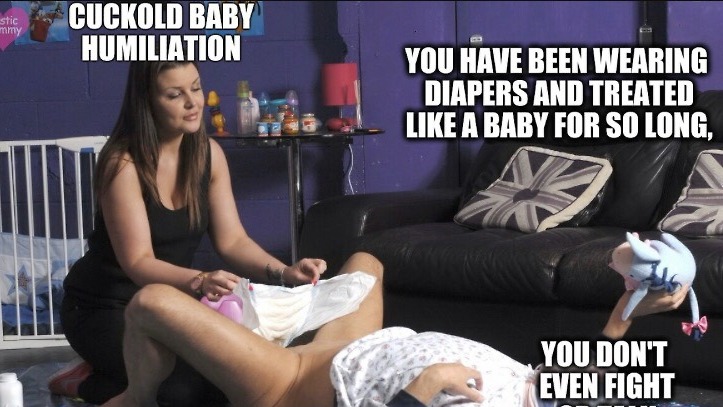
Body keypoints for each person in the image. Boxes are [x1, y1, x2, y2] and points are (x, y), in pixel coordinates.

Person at [50, 60, 327, 406]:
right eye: (174, 95)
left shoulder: (208, 154)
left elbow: (233, 241)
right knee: (179, 393)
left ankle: (114, 375)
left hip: (171, 305)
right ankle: (83, 382)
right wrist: (200, 280)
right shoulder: (122, 164)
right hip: (103, 307)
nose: (193, 102)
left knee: (226, 381)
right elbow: (139, 262)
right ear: (147, 102)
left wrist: (285, 272)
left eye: (195, 88)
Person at [100, 249, 689, 407]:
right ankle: (273, 319)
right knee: (367, 262)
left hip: (291, 385)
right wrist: (627, 312)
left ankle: (135, 399)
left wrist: (421, 389)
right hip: (358, 347)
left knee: (151, 301)